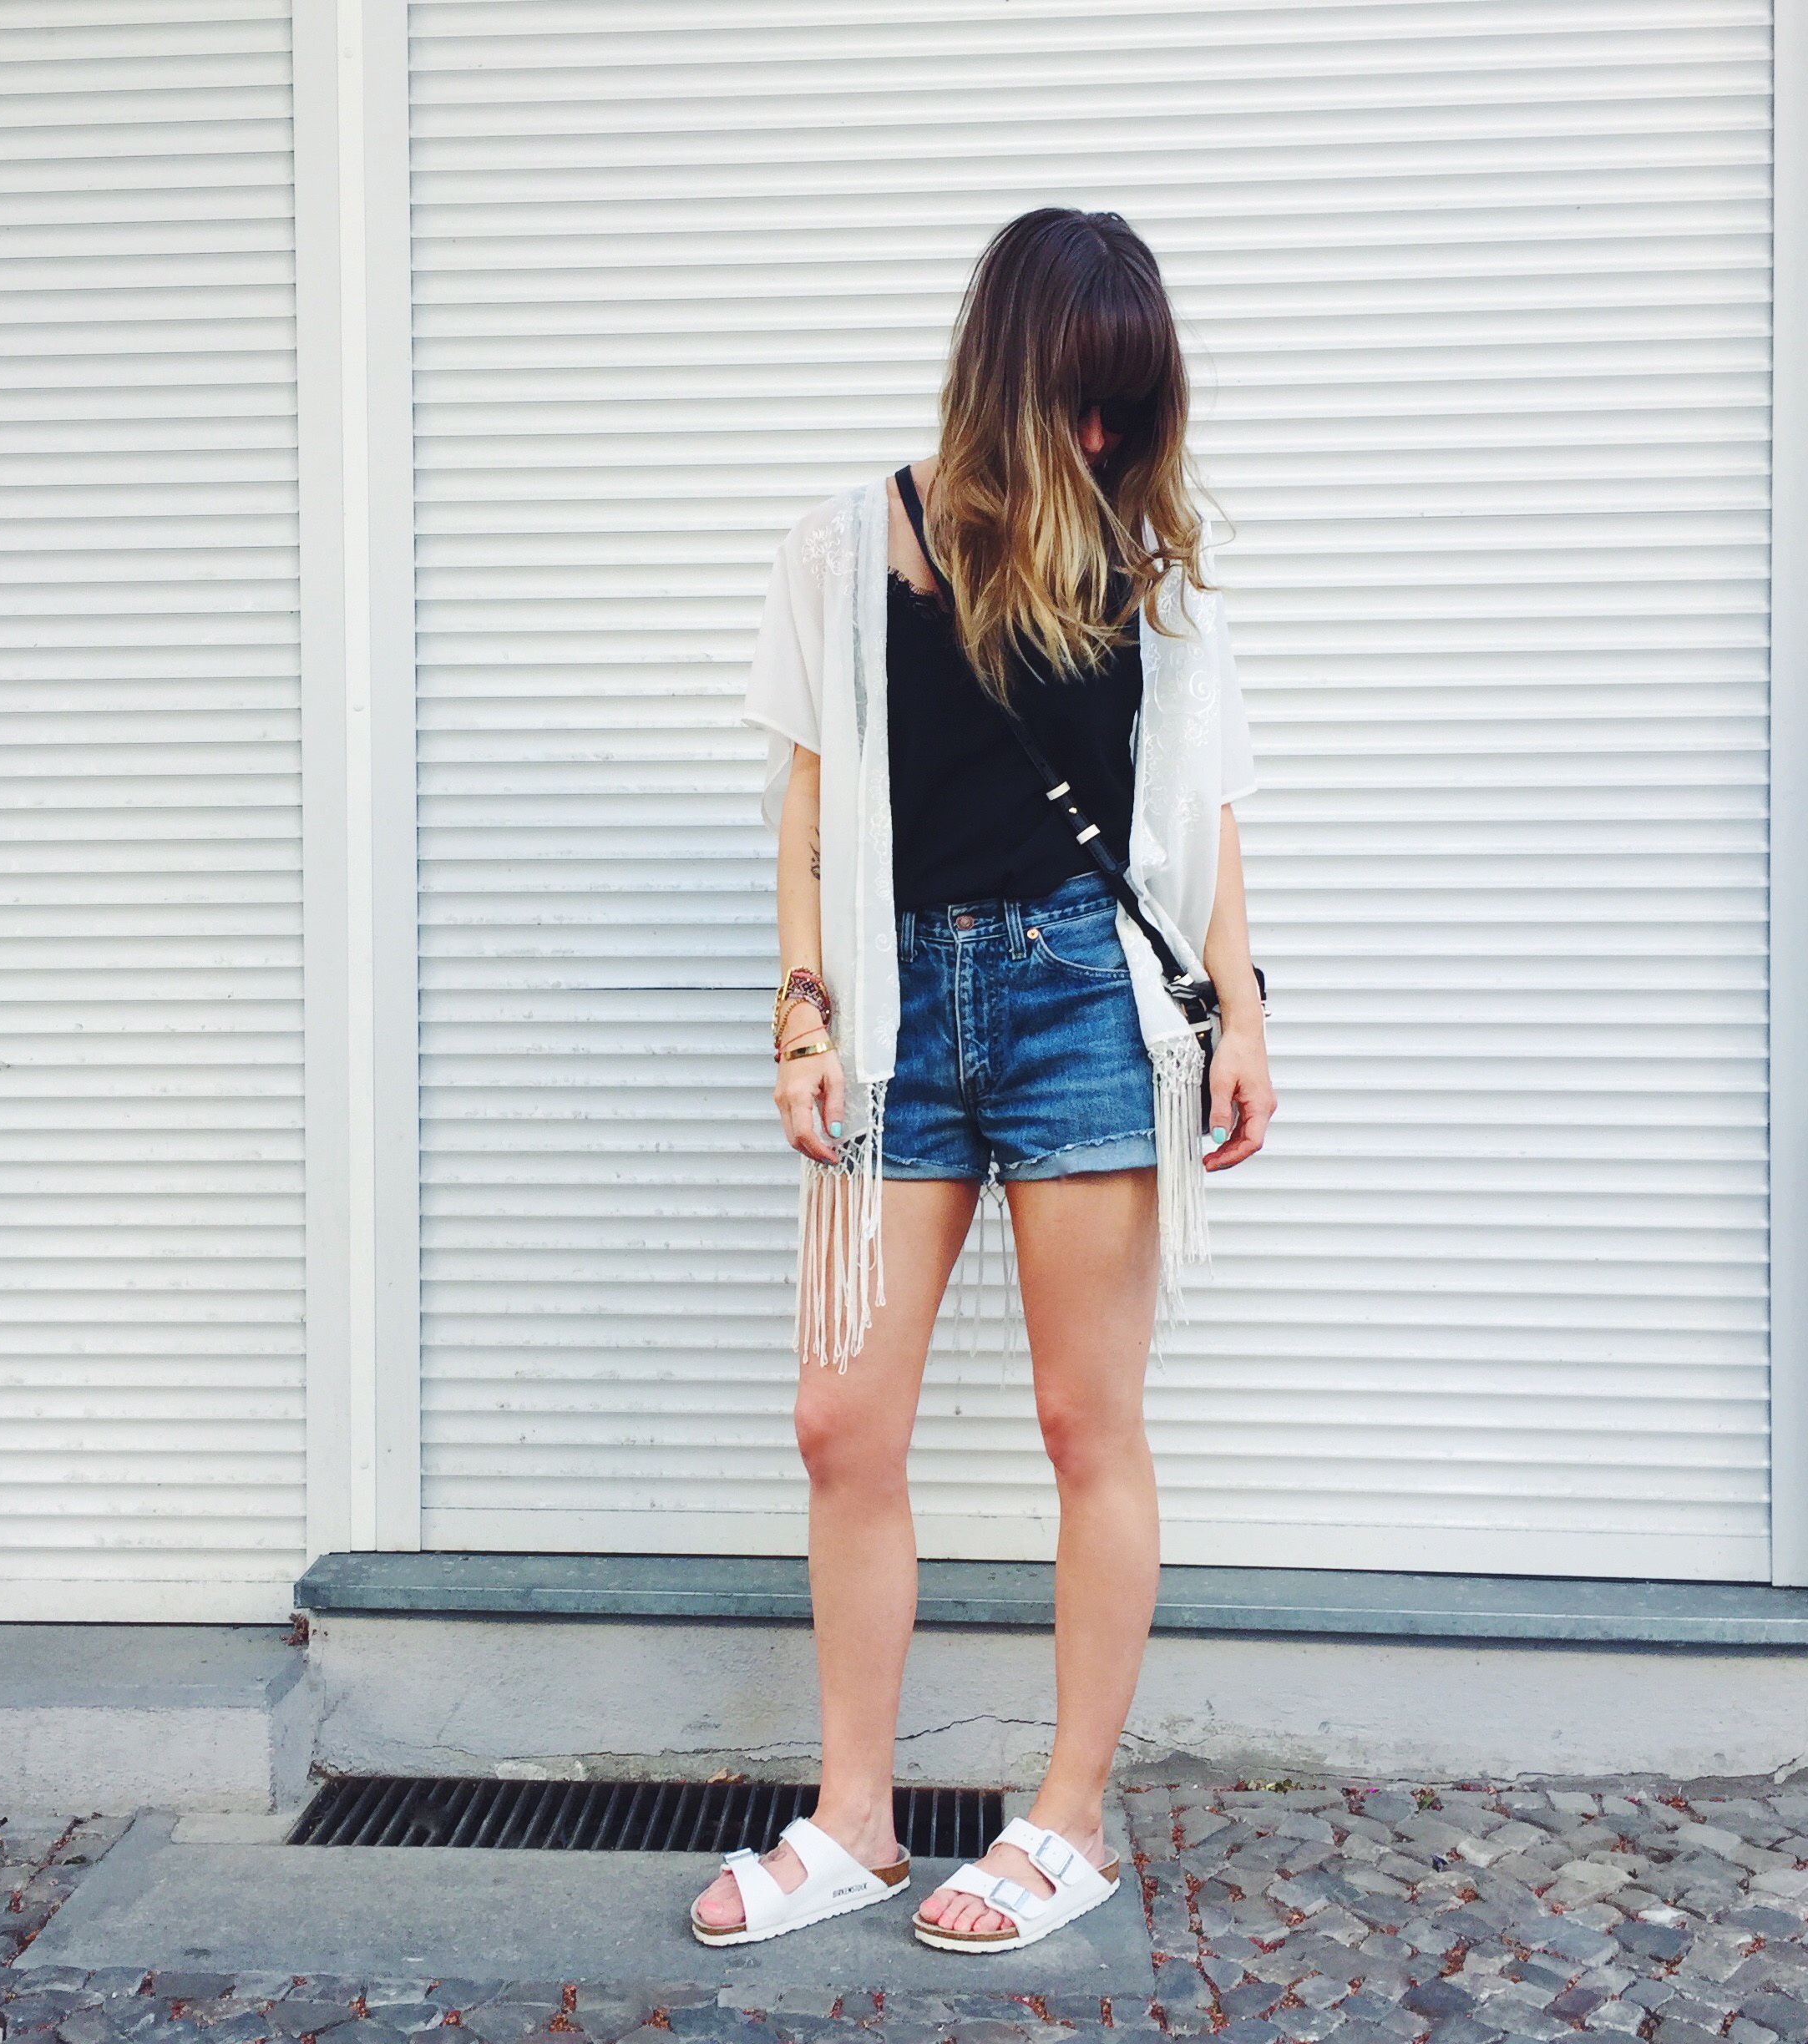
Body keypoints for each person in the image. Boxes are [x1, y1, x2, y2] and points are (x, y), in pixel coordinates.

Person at [690, 208, 1273, 1955]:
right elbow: (805, 813)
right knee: (840, 1422)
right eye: (1078, 400)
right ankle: (855, 1822)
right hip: (897, 1011)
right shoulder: (843, 546)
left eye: (1126, 409)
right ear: (1006, 371)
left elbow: (1199, 812)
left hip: (1084, 1002)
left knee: (1088, 1425)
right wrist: (801, 1016)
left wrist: (1243, 1010)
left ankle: (1066, 1821)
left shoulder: (1147, 567)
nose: (1098, 438)